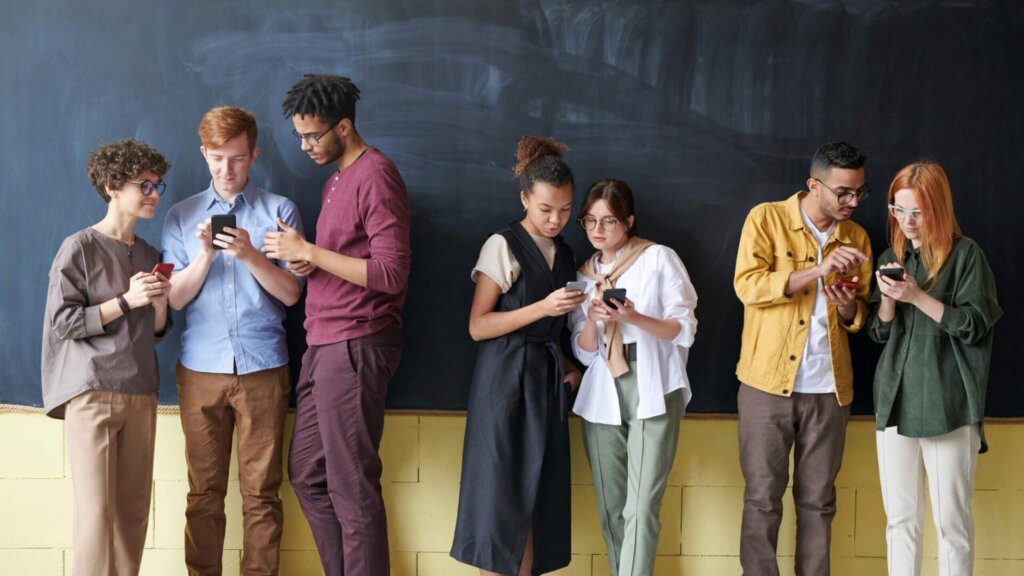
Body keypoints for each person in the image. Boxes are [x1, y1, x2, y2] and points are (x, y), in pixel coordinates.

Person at [263, 74, 411, 576]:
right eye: (299, 136)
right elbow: (344, 258)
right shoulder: (334, 182)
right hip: (322, 343)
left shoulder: (377, 175)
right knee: (306, 473)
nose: (305, 146)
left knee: (351, 485)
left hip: (356, 341)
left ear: (344, 126)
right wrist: (308, 262)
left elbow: (390, 274)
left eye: (313, 136)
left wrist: (309, 251)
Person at [161, 106, 304, 576]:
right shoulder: (181, 215)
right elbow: (176, 300)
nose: (228, 169)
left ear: (254, 154)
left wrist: (249, 255)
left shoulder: (278, 210)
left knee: (262, 493)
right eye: (218, 158)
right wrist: (204, 255)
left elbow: (290, 294)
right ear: (204, 155)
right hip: (201, 369)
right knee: (204, 492)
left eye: (238, 159)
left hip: (263, 367)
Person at [733, 142, 873, 575]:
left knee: (818, 502)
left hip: (830, 389)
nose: (852, 202)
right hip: (766, 386)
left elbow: (859, 314)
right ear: (814, 185)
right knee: (762, 499)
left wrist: (847, 305)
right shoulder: (766, 218)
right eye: (843, 192)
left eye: (859, 193)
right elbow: (748, 286)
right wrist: (818, 270)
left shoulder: (858, 237)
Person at [451, 136, 585, 576]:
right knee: (500, 502)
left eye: (565, 210)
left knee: (535, 500)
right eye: (546, 209)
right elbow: (478, 325)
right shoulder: (502, 244)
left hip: (543, 385)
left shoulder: (564, 253)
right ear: (525, 198)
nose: (555, 219)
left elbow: (555, 332)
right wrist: (542, 308)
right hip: (503, 382)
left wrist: (569, 369)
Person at [41, 139, 171, 575]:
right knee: (97, 516)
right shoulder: (78, 248)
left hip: (141, 393)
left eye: (157, 186)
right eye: (145, 185)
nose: (154, 194)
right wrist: (127, 300)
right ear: (113, 185)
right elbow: (64, 324)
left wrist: (158, 303)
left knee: (132, 516)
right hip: (92, 393)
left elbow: (155, 331)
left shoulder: (152, 254)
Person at [868, 161, 1001, 576]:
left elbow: (975, 325)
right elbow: (879, 334)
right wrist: (889, 299)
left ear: (937, 209)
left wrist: (917, 295)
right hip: (894, 400)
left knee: (950, 523)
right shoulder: (894, 255)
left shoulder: (966, 256)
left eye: (917, 212)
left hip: (949, 403)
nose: (906, 222)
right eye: (898, 210)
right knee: (900, 522)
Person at [569, 179, 698, 576]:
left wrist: (633, 317)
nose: (598, 230)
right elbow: (584, 351)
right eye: (589, 220)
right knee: (611, 506)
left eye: (608, 221)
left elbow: (684, 327)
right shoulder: (584, 274)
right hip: (602, 386)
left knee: (641, 506)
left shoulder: (658, 258)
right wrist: (592, 320)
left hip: (652, 380)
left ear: (629, 221)